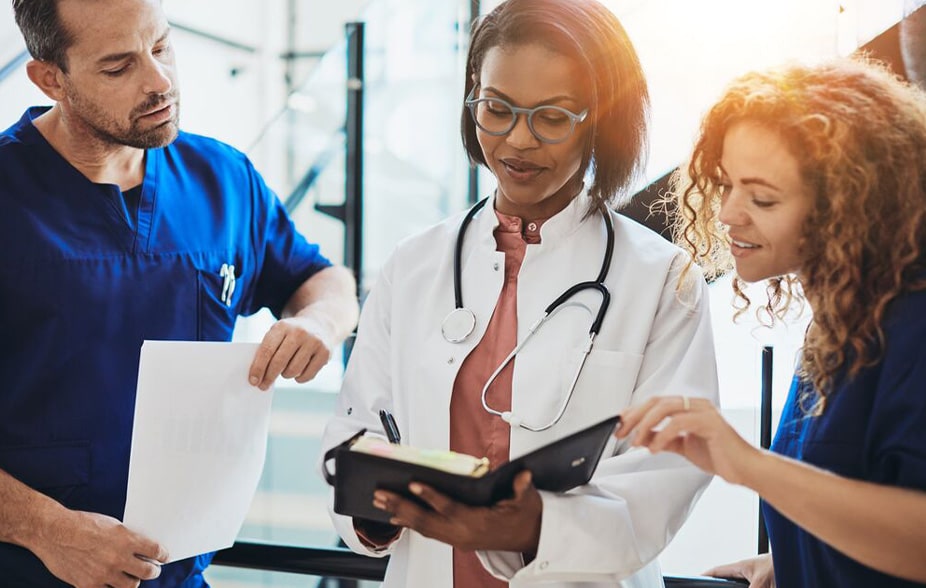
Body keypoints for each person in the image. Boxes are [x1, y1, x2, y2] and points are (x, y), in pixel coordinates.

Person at [320, 0, 719, 586]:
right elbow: (359, 425)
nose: (517, 141)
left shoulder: (661, 277)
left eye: (552, 117)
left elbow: (668, 470)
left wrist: (531, 526)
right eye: (496, 109)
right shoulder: (413, 265)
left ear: (602, 120)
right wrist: (372, 510)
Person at [0, 0, 360, 586]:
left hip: (177, 572)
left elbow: (321, 280)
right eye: (119, 67)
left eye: (162, 46)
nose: (159, 81)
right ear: (50, 79)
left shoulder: (222, 179)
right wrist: (47, 529)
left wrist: (320, 323)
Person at [617, 56, 926, 588]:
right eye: (726, 184)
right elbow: (849, 499)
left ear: (846, 207)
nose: (728, 214)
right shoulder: (838, 322)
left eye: (762, 198)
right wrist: (792, 562)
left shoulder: (913, 329)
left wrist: (747, 464)